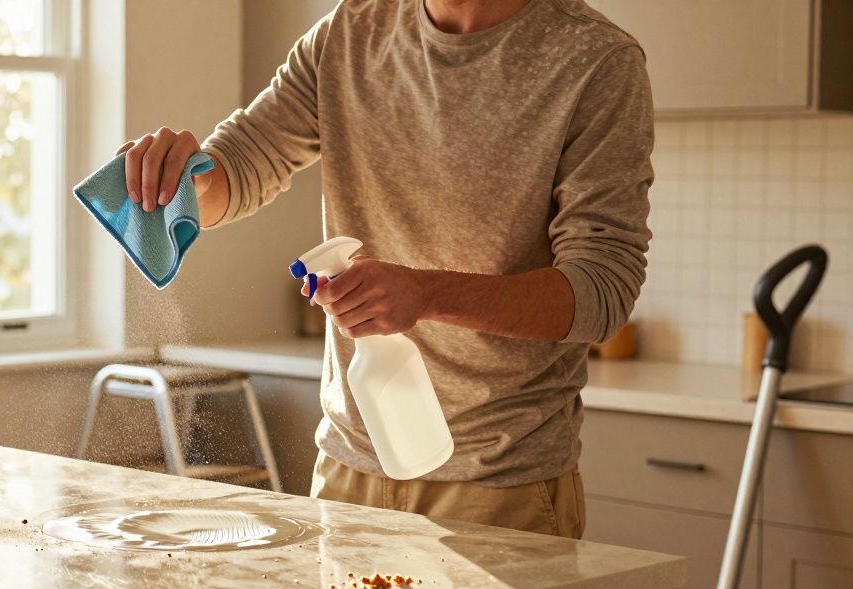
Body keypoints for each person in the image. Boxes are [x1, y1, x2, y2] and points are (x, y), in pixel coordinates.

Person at [116, 0, 654, 539]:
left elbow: (602, 290)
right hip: (351, 468)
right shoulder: (351, 31)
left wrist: (424, 293)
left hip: (497, 479)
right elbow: (243, 165)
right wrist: (187, 180)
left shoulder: (595, 59)